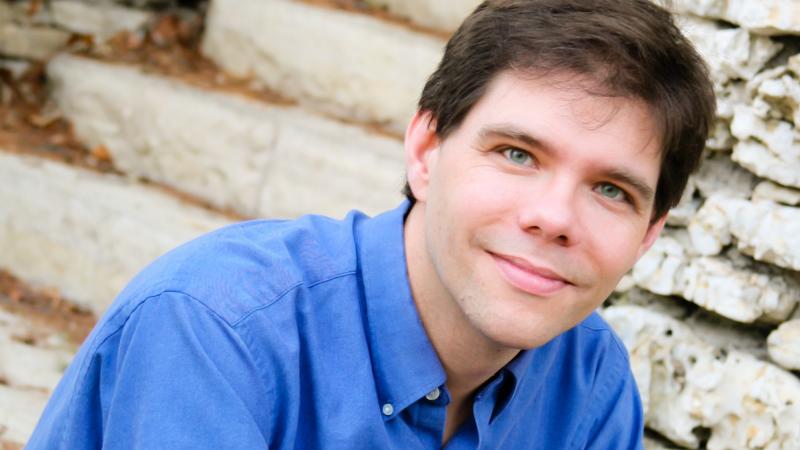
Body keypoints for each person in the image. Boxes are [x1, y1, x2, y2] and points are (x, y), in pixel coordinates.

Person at [27, 0, 715, 448]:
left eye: (611, 190)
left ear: (649, 234)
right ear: (425, 151)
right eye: (517, 153)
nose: (554, 218)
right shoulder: (216, 330)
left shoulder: (589, 389)